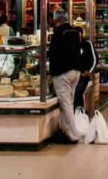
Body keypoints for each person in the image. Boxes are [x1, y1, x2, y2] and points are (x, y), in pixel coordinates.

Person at [48, 9, 83, 142]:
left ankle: (73, 134)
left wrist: (50, 69)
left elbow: (54, 53)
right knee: (69, 102)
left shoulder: (58, 32)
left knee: (66, 104)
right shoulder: (74, 31)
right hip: (76, 71)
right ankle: (66, 130)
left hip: (63, 72)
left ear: (56, 19)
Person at [74, 24, 97, 111]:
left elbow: (94, 59)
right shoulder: (72, 45)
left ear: (81, 34)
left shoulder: (87, 43)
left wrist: (89, 71)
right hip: (75, 74)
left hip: (85, 75)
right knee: (76, 93)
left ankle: (79, 112)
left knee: (78, 91)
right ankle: (78, 112)